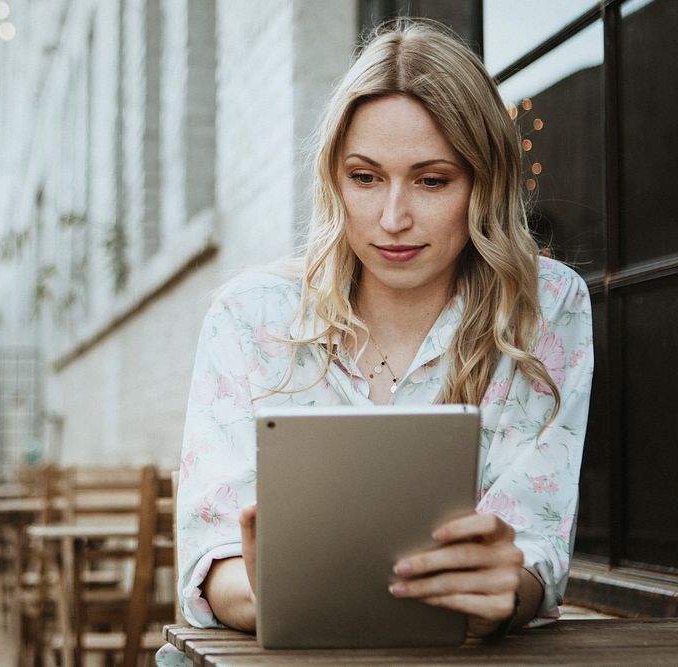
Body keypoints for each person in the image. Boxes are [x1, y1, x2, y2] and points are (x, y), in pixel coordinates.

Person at [157, 17, 593, 664]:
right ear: (335, 178)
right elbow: (211, 554)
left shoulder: (542, 305)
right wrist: (260, 588)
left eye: (432, 179)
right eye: (365, 177)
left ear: (484, 182)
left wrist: (509, 591)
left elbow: (534, 544)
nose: (393, 219)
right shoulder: (250, 316)